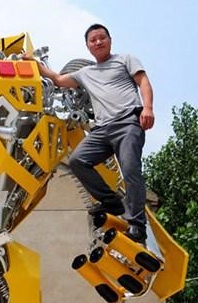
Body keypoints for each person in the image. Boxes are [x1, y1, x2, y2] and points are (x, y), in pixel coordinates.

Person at [33, 23, 154, 245]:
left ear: (110, 40)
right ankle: (112, 203)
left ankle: (137, 225)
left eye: (102, 38)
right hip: (102, 129)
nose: (98, 42)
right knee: (78, 160)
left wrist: (147, 108)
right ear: (88, 46)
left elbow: (143, 82)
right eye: (93, 40)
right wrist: (34, 64)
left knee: (130, 169)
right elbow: (59, 80)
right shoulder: (85, 73)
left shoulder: (125, 59)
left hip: (127, 123)